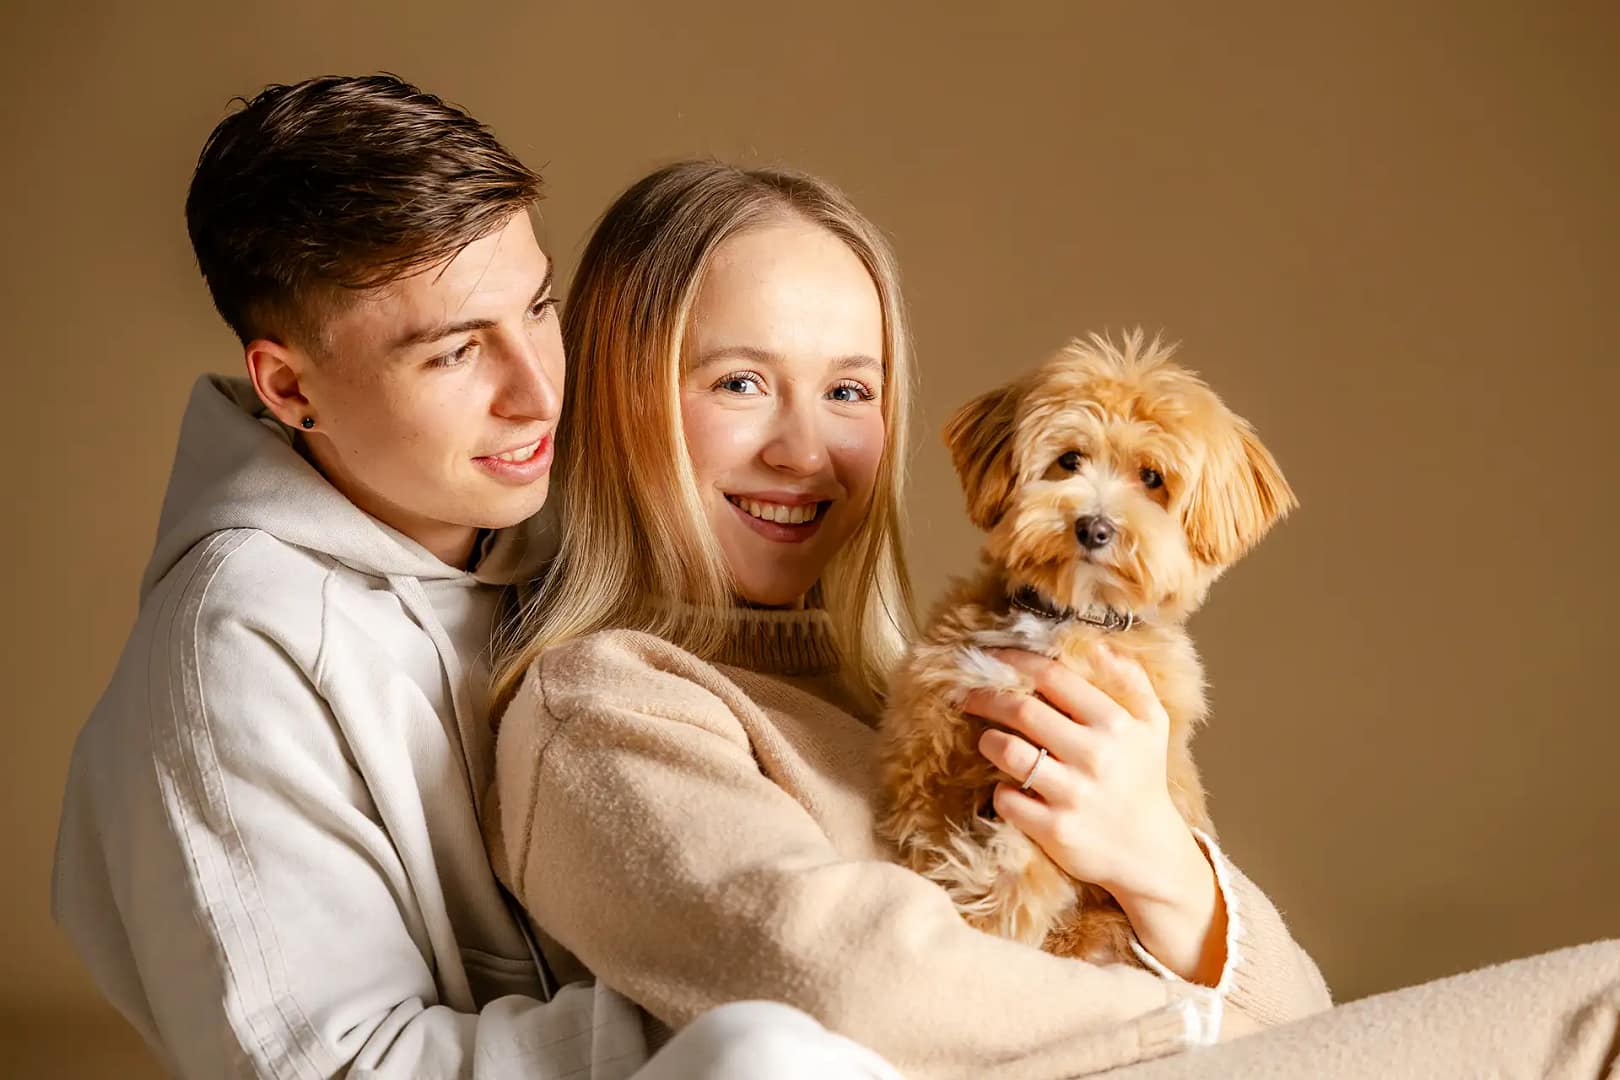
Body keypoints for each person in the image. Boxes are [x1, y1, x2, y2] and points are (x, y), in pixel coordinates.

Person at [487, 159, 1620, 1079]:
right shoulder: (605, 703)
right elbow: (839, 983)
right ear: (623, 394)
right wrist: (1201, 1028)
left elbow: (1306, 1005)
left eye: (850, 390)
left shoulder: (909, 677)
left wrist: (1160, 863)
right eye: (738, 383)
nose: (805, 448)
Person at [52, 76, 896, 1080]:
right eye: (455, 353)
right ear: (289, 385)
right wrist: (765, 992)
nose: (540, 392)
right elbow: (333, 1069)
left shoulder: (566, 526)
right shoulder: (230, 650)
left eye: (538, 309)